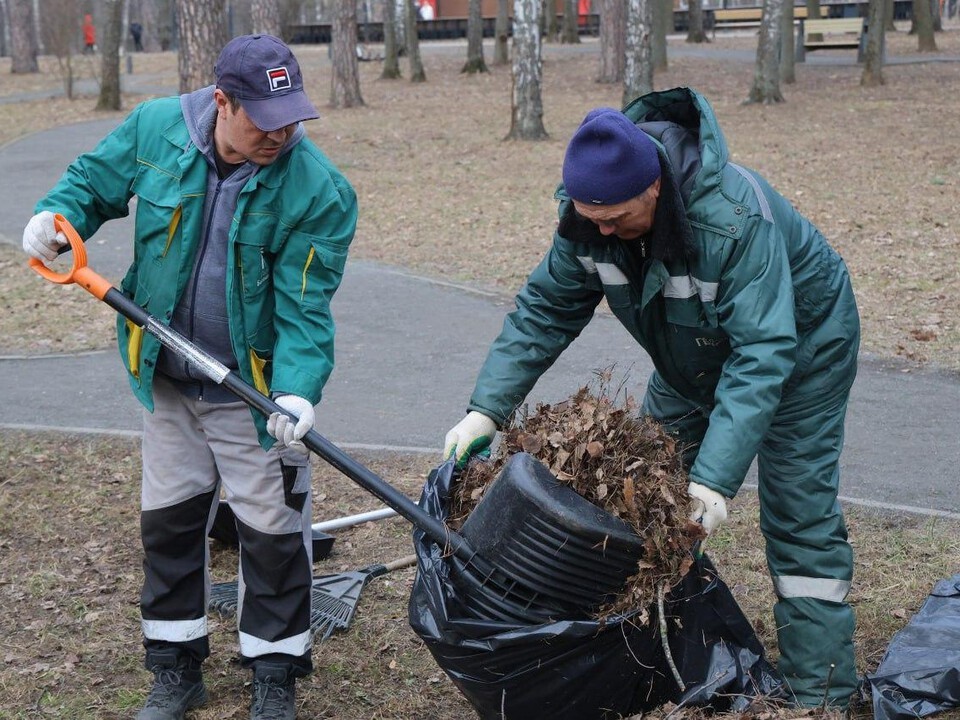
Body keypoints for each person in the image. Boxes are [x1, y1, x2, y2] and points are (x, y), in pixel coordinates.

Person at [442, 88, 860, 710]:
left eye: (614, 218)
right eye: (591, 217)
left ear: (655, 189)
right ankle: (646, 655)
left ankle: (819, 688)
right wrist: (486, 409)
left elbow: (763, 352)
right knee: (646, 490)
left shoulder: (732, 221)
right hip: (689, 353)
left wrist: (715, 482)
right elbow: (543, 313)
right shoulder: (589, 220)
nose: (601, 229)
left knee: (797, 508)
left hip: (799, 347)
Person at [21, 34, 358, 720]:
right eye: (265, 118)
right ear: (222, 102)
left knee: (270, 531)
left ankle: (275, 671)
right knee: (170, 524)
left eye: (291, 116)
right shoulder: (156, 129)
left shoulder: (318, 189)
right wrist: (55, 219)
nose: (281, 133)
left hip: (250, 393)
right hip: (167, 375)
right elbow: (92, 182)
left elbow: (304, 305)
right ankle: (175, 668)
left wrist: (295, 390)